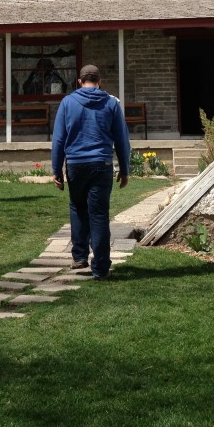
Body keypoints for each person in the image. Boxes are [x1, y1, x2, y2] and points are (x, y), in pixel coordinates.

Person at [51, 64, 130, 280]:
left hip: (75, 164)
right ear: (99, 81)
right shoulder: (111, 104)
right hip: (101, 164)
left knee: (77, 207)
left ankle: (79, 256)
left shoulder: (67, 103)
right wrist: (125, 169)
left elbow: (59, 139)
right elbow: (122, 139)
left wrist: (56, 169)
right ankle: (101, 267)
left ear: (79, 81)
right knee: (99, 214)